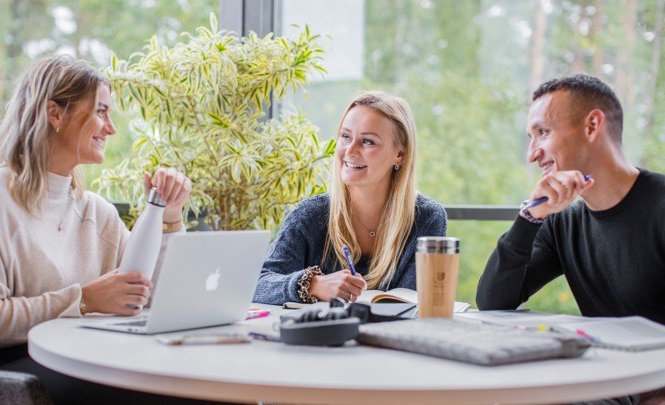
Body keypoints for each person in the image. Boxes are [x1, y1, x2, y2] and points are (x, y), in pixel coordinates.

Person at [0, 55, 207, 404]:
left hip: (76, 351)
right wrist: (84, 299)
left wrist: (169, 218)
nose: (111, 128)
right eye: (100, 111)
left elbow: (154, 294)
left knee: (191, 384)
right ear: (55, 114)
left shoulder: (96, 212)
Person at [476, 73, 665, 404]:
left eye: (543, 133)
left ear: (592, 126)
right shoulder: (562, 223)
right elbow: (493, 301)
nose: (532, 154)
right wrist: (529, 217)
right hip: (604, 384)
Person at [253, 91, 447, 305]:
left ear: (399, 155)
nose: (350, 150)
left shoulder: (427, 217)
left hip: (393, 337)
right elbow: (258, 285)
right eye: (345, 137)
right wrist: (313, 285)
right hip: (323, 337)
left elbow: (413, 302)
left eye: (367, 141)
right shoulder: (310, 215)